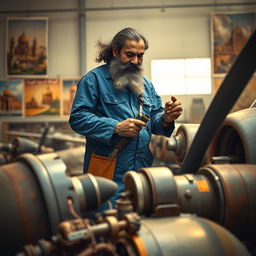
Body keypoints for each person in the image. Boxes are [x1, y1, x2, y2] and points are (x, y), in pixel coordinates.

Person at [69, 27, 182, 209]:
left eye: (140, 56)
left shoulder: (146, 85)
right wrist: (116, 127)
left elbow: (155, 119)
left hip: (141, 175)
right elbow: (78, 118)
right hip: (107, 175)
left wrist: (166, 118)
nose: (135, 61)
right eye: (130, 55)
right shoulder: (93, 81)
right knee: (106, 224)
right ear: (115, 51)